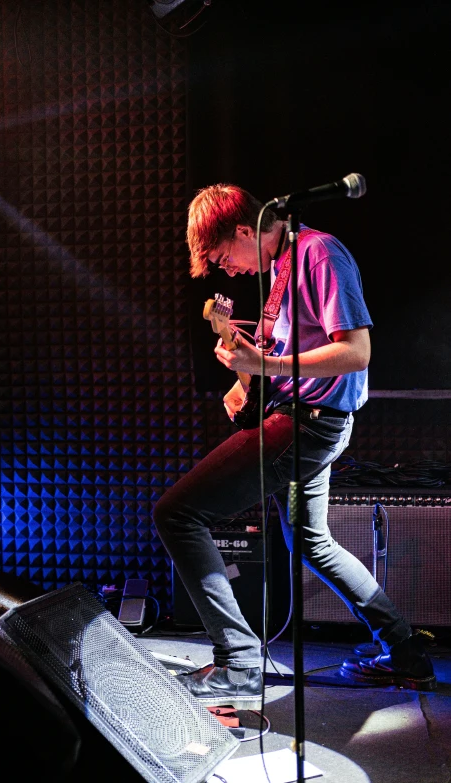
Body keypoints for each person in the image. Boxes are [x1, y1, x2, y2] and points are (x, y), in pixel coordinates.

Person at [153, 183, 436, 709]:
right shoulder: (281, 268)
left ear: (244, 229)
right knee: (313, 542)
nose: (227, 271)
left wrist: (267, 367)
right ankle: (405, 652)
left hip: (309, 423)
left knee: (177, 514)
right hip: (307, 417)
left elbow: (356, 352)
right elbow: (286, 348)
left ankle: (237, 663)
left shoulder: (319, 252)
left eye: (224, 257)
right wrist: (245, 377)